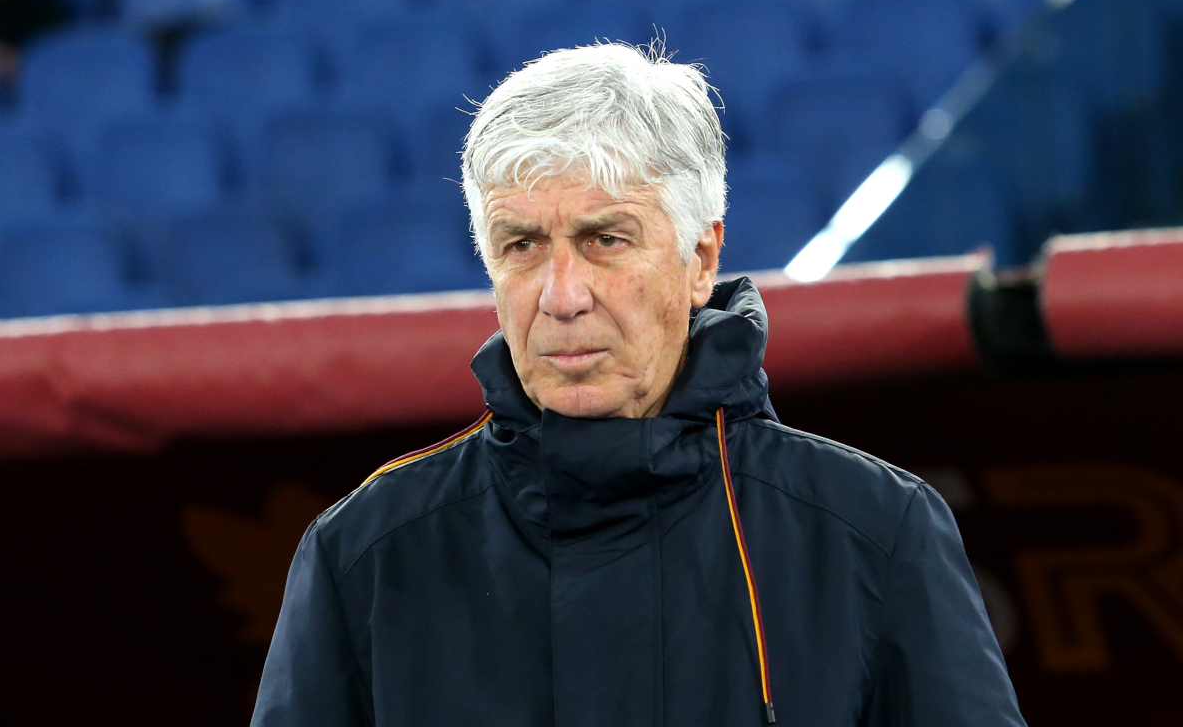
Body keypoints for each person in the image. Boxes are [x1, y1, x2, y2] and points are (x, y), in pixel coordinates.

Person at [251, 43, 1026, 727]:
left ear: (700, 258)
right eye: (521, 245)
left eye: (605, 239)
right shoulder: (364, 553)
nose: (562, 295)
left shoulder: (877, 531)